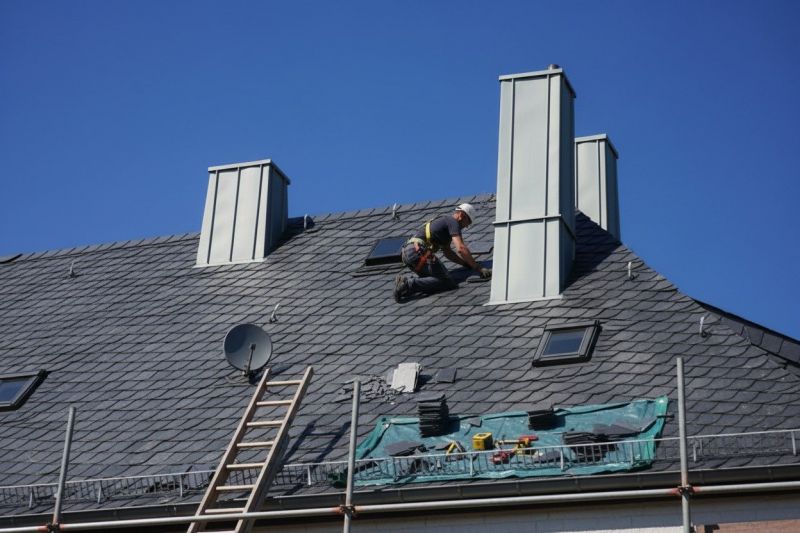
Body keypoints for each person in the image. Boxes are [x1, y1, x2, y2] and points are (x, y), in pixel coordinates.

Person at [394, 203, 491, 302]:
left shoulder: (445, 225)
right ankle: (407, 284)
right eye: (468, 222)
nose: (466, 226)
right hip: (417, 251)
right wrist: (478, 268)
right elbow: (461, 248)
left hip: (408, 253)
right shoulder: (453, 222)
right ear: (461, 215)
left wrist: (465, 264)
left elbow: (448, 253)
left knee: (432, 282)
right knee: (447, 281)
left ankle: (404, 290)